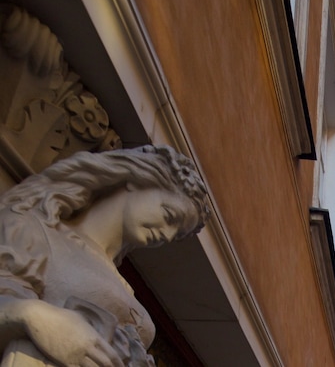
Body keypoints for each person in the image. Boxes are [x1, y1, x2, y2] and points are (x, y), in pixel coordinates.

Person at [0, 146, 210, 367]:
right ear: (138, 181)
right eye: (169, 216)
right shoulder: (31, 229)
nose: (166, 235)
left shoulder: (124, 286)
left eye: (176, 234)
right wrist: (37, 318)